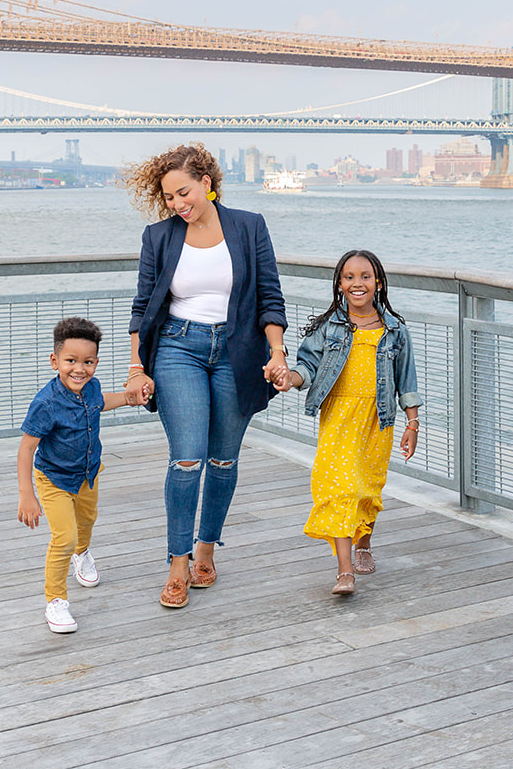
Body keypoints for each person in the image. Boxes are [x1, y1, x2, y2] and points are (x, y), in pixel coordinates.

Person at [122, 143, 288, 609]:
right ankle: (177, 562)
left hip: (237, 352)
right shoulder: (158, 237)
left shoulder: (249, 226)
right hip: (178, 348)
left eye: (183, 193)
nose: (177, 204)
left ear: (207, 183)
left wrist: (277, 351)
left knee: (222, 461)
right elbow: (141, 309)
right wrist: (137, 368)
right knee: (188, 458)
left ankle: (206, 551)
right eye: (169, 198)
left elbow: (270, 299)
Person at [278, 250, 420, 595]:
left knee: (367, 488)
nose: (358, 283)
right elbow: (307, 367)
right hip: (339, 419)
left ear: (379, 283)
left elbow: (407, 380)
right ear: (340, 285)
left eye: (365, 276)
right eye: (349, 277)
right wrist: (289, 378)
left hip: (378, 418)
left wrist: (412, 424)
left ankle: (364, 545)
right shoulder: (330, 327)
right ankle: (344, 572)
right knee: (340, 489)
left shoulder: (395, 330)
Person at [17, 316, 137, 634]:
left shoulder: (92, 387)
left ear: (96, 362)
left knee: (86, 521)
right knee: (63, 537)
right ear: (55, 361)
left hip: (87, 474)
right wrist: (26, 494)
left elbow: (100, 403)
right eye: (71, 361)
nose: (79, 369)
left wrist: (128, 397)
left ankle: (82, 555)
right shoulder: (45, 403)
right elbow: (27, 449)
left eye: (87, 362)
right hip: (53, 479)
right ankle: (55, 601)